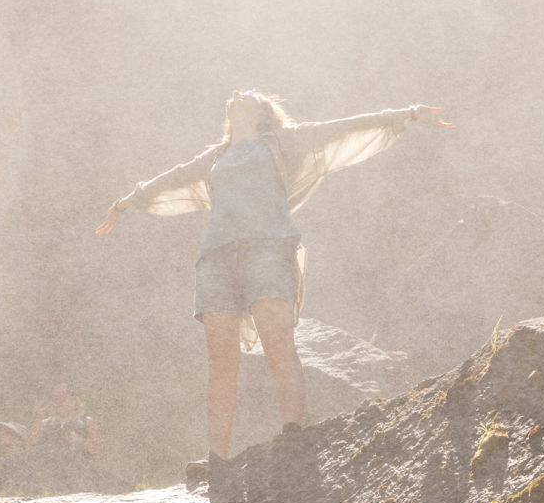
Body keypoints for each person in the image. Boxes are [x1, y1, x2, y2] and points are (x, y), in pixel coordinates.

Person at [96, 91, 452, 479]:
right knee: (221, 361)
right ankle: (216, 459)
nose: (237, 95)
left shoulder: (282, 142)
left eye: (249, 95)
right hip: (215, 257)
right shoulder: (214, 156)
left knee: (277, 343)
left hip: (268, 248)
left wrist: (408, 114)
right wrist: (124, 203)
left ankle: (292, 436)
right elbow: (172, 178)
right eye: (233, 95)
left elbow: (340, 129)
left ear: (264, 113)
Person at [26, 382, 105, 457]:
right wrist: (38, 417)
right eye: (56, 400)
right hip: (51, 466)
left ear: (74, 400)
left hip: (78, 468)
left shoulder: (86, 422)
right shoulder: (47, 423)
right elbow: (30, 444)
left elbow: (99, 450)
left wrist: (81, 442)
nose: (59, 403)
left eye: (63, 399)